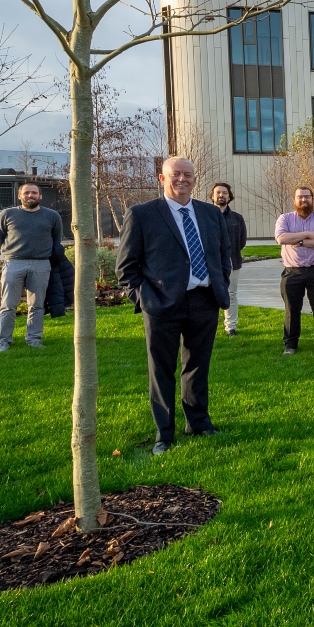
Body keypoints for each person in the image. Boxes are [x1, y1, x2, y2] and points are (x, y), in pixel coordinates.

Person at [114, 156, 232, 455]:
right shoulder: (142, 214)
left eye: (188, 174)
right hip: (161, 304)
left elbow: (222, 255)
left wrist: (220, 285)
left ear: (195, 179)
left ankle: (199, 424)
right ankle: (164, 434)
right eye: (175, 174)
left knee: (197, 367)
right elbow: (126, 267)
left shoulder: (210, 214)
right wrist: (144, 299)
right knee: (162, 370)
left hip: (204, 301)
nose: (182, 179)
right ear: (162, 178)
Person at [0, 182, 64, 352]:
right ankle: (3, 342)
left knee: (37, 305)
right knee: (8, 305)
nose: (30, 196)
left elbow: (57, 240)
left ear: (40, 196)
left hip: (41, 264)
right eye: (26, 193)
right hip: (13, 263)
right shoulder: (8, 214)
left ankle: (33, 339)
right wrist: (9, 252)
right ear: (20, 196)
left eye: (34, 193)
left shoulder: (52, 216)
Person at [275, 186, 314, 354]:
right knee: (292, 311)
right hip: (292, 272)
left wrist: (299, 241)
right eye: (300, 197)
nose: (303, 200)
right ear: (294, 200)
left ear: (312, 199)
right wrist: (308, 234)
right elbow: (281, 238)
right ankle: (290, 345)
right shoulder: (285, 219)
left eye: (307, 197)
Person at [210, 183, 247, 336]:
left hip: (232, 262)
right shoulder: (205, 216)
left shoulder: (237, 218)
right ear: (212, 196)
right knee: (208, 295)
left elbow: (242, 241)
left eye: (224, 193)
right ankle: (207, 326)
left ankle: (230, 327)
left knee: (231, 294)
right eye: (218, 192)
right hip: (209, 262)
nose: (221, 195)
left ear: (229, 196)